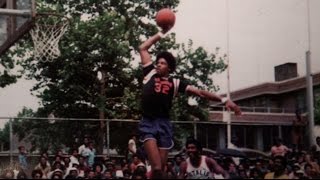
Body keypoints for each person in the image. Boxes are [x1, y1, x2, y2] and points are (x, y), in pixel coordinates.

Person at [138, 26, 242, 178]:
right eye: (158, 62)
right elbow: (143, 48)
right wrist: (162, 32)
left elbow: (200, 92)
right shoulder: (150, 73)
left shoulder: (175, 83)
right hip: (148, 122)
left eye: (163, 63)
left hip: (164, 123)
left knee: (158, 172)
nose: (159, 64)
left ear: (170, 68)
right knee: (157, 167)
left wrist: (224, 99)